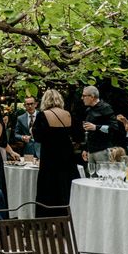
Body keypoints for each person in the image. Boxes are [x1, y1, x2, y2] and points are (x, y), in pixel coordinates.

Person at [32, 89, 80, 217]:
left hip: (50, 155)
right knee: (65, 186)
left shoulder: (43, 115)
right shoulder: (68, 115)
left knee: (48, 188)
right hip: (67, 155)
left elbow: (37, 137)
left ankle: (47, 220)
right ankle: (67, 216)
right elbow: (77, 135)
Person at [81, 86, 119, 164]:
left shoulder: (105, 107)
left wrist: (96, 127)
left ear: (92, 96)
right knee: (92, 175)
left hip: (103, 150)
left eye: (84, 96)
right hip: (91, 151)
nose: (82, 98)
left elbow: (114, 128)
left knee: (105, 175)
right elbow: (89, 133)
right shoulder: (88, 110)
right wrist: (85, 149)